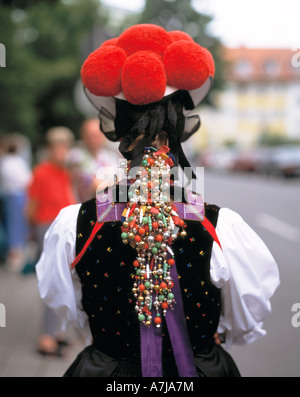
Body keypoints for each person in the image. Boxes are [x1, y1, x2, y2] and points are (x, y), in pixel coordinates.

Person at [36, 24, 280, 377]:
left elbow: (65, 305)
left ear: (119, 131)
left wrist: (105, 339)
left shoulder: (74, 222)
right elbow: (248, 314)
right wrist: (213, 336)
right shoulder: (219, 225)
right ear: (179, 131)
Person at [27, 126, 77, 356]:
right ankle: (46, 338)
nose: (60, 150)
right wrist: (32, 232)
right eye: (56, 146)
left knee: (65, 281)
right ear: (49, 149)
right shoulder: (41, 171)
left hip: (64, 229)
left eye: (64, 146)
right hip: (46, 228)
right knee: (51, 279)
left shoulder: (68, 172)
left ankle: (57, 332)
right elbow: (31, 207)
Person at [68, 118, 119, 203]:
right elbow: (95, 186)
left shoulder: (112, 157)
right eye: (89, 136)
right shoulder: (76, 158)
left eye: (96, 136)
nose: (92, 139)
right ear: (83, 136)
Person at [0, 135, 31, 271]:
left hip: (12, 195)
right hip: (16, 196)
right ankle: (15, 255)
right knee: (16, 226)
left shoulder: (6, 162)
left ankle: (14, 254)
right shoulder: (16, 162)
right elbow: (26, 179)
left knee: (14, 225)